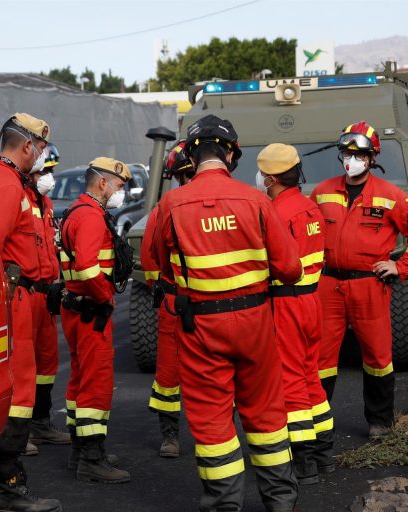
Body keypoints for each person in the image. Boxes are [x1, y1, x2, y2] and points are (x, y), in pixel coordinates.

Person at [153, 114, 303, 512]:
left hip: (200, 328)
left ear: (188, 153)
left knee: (212, 422)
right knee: (268, 415)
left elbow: (160, 264)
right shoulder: (257, 201)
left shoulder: (170, 203)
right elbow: (290, 268)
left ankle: (224, 505)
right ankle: (281, 503)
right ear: (232, 153)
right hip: (256, 324)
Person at [311, 121, 408, 439]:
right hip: (328, 286)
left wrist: (401, 266)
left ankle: (380, 421)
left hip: (369, 285)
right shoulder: (322, 192)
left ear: (371, 158)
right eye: (346, 153)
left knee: (378, 356)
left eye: (358, 154)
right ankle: (315, 421)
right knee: (321, 356)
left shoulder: (391, 197)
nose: (350, 159)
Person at [0, 113, 61, 512]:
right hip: (16, 300)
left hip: (12, 299)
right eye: (41, 149)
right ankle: (8, 487)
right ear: (27, 146)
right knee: (19, 391)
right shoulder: (9, 188)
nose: (42, 156)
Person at [255, 144, 334, 484]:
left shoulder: (276, 213)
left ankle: (303, 461)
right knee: (310, 375)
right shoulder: (311, 208)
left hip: (285, 303)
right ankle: (323, 452)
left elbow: (269, 261)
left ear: (270, 177)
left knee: (291, 381)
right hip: (311, 302)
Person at [59, 157, 133, 483]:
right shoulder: (90, 217)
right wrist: (106, 296)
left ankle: (80, 449)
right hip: (92, 310)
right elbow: (89, 268)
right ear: (103, 183)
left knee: (78, 380)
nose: (121, 193)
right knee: (96, 383)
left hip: (75, 308)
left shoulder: (76, 212)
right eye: (119, 186)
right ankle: (92, 457)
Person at [140, 141, 194, 458]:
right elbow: (151, 262)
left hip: (196, 303)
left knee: (209, 369)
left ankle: (209, 430)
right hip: (178, 303)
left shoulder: (166, 208)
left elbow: (151, 262)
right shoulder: (163, 210)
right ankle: (171, 433)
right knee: (169, 374)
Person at [27, 143, 72, 448]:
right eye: (44, 170)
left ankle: (40, 422)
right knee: (22, 364)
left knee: (46, 362)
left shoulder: (46, 203)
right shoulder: (18, 198)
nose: (49, 176)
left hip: (46, 293)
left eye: (52, 170)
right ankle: (17, 431)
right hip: (24, 292)